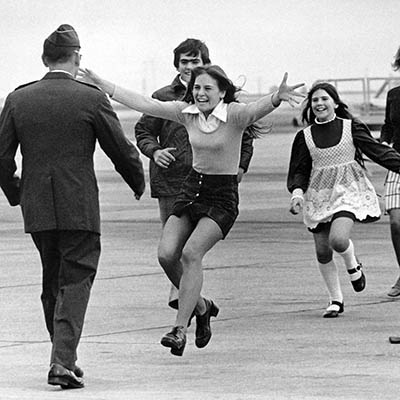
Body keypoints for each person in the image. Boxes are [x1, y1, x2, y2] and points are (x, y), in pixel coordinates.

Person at [81, 64, 304, 356]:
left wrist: (277, 96)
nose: (200, 93)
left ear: (222, 92)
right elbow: (145, 103)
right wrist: (102, 83)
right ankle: (202, 306)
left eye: (208, 88)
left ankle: (178, 330)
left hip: (222, 197)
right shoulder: (185, 113)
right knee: (165, 255)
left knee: (190, 253)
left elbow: (257, 110)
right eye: (197, 88)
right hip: (191, 190)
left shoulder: (235, 114)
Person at [0, 24, 145, 388]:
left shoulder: (18, 99)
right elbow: (120, 148)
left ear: (44, 59)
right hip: (78, 205)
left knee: (53, 281)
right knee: (77, 279)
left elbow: (1, 158)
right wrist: (138, 182)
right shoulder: (90, 98)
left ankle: (62, 355)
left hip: (38, 207)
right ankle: (62, 362)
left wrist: (17, 191)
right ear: (77, 57)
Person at [134, 38, 254, 311]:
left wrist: (241, 167)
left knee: (192, 250)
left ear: (205, 64)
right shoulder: (165, 96)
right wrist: (154, 151)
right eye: (184, 62)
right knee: (171, 251)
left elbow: (245, 136)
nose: (189, 66)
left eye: (195, 61)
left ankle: (185, 302)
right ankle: (194, 303)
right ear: (177, 65)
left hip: (211, 183)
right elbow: (142, 131)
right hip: (171, 181)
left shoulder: (215, 95)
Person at [287, 82, 400, 318]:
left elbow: (377, 151)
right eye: (315, 100)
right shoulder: (304, 136)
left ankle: (352, 263)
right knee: (322, 252)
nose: (319, 103)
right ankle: (336, 300)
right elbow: (299, 169)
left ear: (335, 103)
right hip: (319, 195)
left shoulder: (351, 127)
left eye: (324, 99)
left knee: (338, 240)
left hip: (349, 190)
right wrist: (297, 193)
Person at [380, 46, 400, 297]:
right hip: (397, 161)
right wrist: (382, 144)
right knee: (396, 223)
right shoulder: (394, 95)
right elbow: (387, 126)